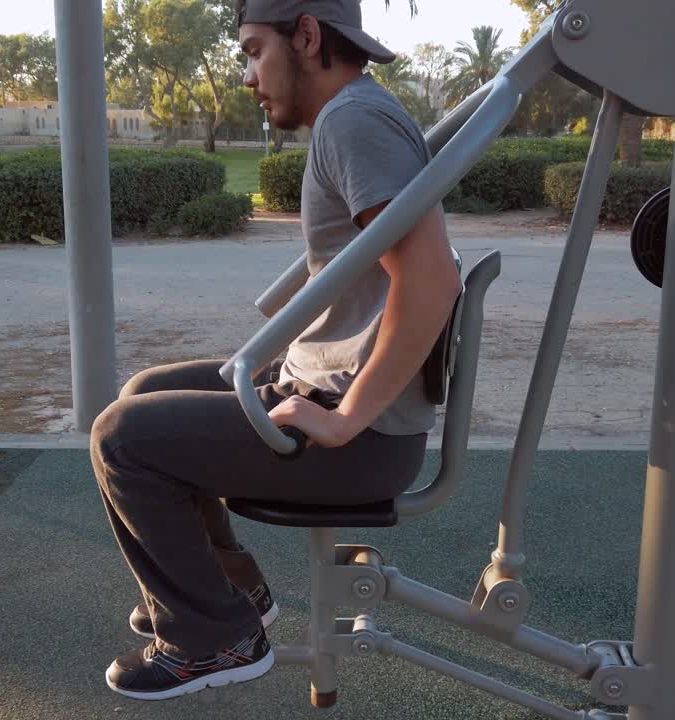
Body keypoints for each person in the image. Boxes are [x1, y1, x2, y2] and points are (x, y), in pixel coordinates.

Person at [90, 0, 463, 701]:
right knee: (145, 392)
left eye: (255, 51)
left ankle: (212, 638)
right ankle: (231, 590)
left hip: (361, 440)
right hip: (333, 394)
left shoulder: (354, 120)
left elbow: (433, 281)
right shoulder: (356, 115)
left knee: (122, 440)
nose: (249, 75)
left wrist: (347, 417)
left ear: (308, 36)